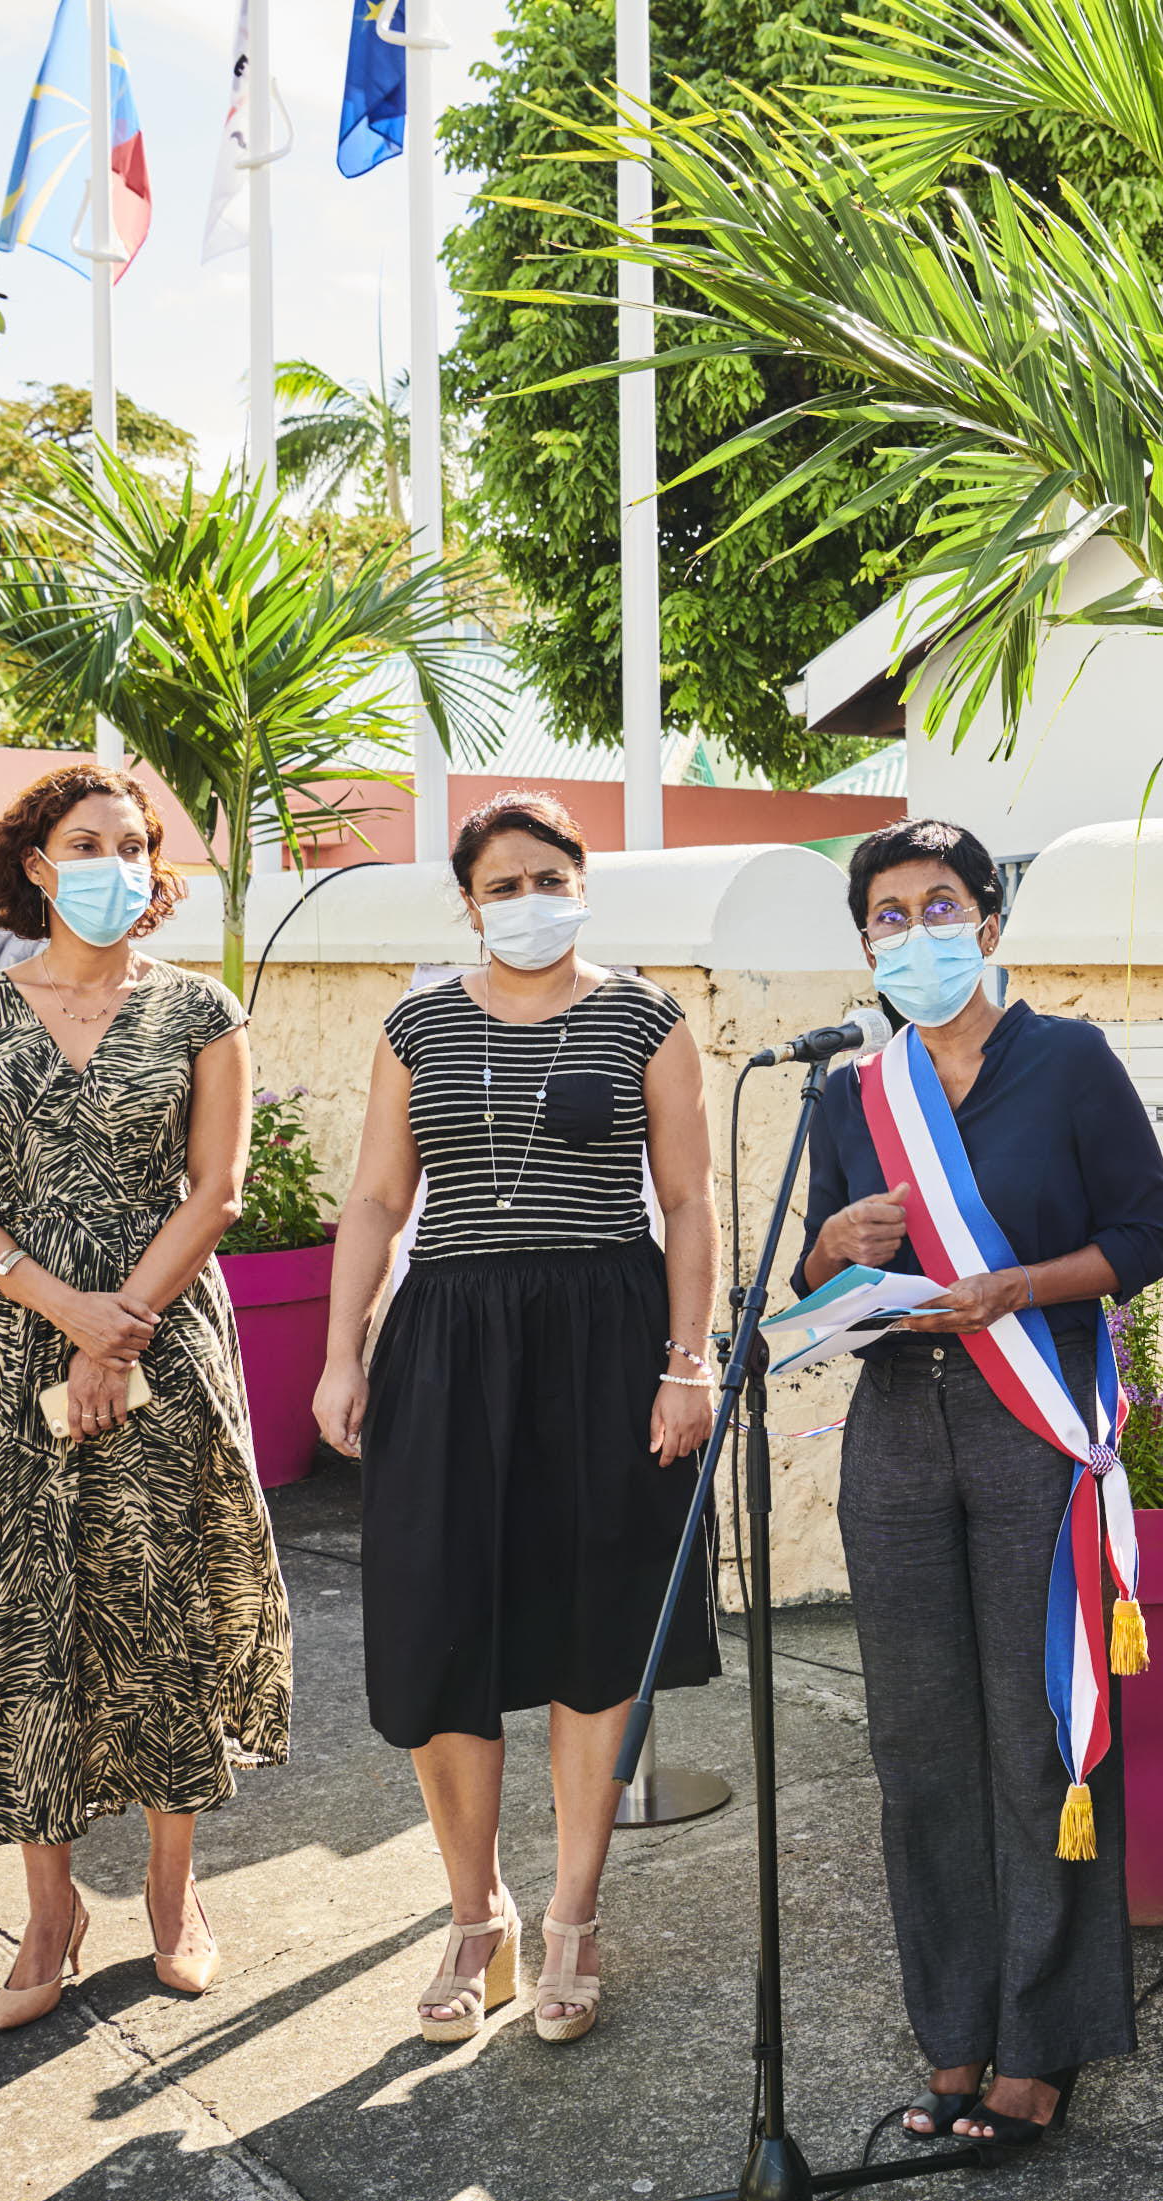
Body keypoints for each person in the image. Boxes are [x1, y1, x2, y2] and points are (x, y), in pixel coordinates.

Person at [314, 790, 721, 2047]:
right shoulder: (417, 1025)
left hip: (603, 1335)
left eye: (549, 877)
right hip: (447, 1338)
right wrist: (343, 1353)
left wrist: (688, 1362)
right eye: (502, 884)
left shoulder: (646, 1017)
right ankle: (473, 1913)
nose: (528, 901)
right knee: (444, 1624)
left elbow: (690, 1204)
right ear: (468, 900)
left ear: (580, 881)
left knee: (594, 1624)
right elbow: (378, 1202)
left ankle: (575, 1915)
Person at [798, 817, 1163, 2150]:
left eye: (939, 904)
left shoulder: (1064, 1061)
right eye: (888, 915)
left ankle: (1041, 2041)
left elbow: (1147, 1230)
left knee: (1037, 1741)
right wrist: (828, 1252)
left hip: (1031, 1432)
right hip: (897, 1432)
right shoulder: (849, 1094)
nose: (915, 932)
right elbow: (815, 1289)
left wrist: (1020, 1284)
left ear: (991, 922)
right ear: (863, 943)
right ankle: (952, 2036)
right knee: (915, 1752)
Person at [0, 761, 291, 2032]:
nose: (115, 863)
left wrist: (116, 1333)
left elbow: (218, 1189)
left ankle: (173, 1896)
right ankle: (50, 1908)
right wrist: (65, 1313)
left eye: (133, 844)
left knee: (162, 1599)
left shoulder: (199, 1010)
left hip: (165, 1338)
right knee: (23, 1617)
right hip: (7, 1347)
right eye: (89, 841)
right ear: (34, 860)